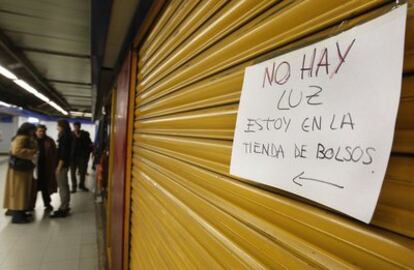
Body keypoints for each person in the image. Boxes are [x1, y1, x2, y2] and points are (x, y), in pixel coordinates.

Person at [3, 123, 37, 223]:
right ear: (27, 130)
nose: (33, 132)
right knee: (19, 192)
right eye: (32, 130)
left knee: (23, 191)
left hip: (22, 170)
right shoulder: (21, 138)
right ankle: (17, 216)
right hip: (19, 171)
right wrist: (32, 152)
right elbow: (16, 151)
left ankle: (20, 212)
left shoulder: (24, 137)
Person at [50, 120, 72, 218]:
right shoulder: (66, 136)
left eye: (58, 126)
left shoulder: (65, 137)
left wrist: (59, 167)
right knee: (64, 186)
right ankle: (65, 206)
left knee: (62, 186)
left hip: (62, 165)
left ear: (62, 126)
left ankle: (63, 209)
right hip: (64, 164)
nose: (57, 128)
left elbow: (63, 154)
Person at [35, 125, 57, 212]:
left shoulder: (49, 141)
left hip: (46, 167)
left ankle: (47, 203)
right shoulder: (32, 140)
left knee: (45, 187)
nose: (41, 133)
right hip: (35, 167)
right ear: (36, 131)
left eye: (43, 131)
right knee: (34, 187)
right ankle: (31, 205)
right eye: (39, 131)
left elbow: (54, 153)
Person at [70, 122, 92, 192]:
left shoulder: (85, 134)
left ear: (80, 127)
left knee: (82, 172)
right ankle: (74, 187)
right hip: (73, 157)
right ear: (73, 126)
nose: (76, 128)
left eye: (77, 126)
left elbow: (89, 143)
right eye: (75, 126)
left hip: (82, 156)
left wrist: (80, 138)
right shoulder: (71, 134)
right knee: (72, 173)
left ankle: (81, 185)